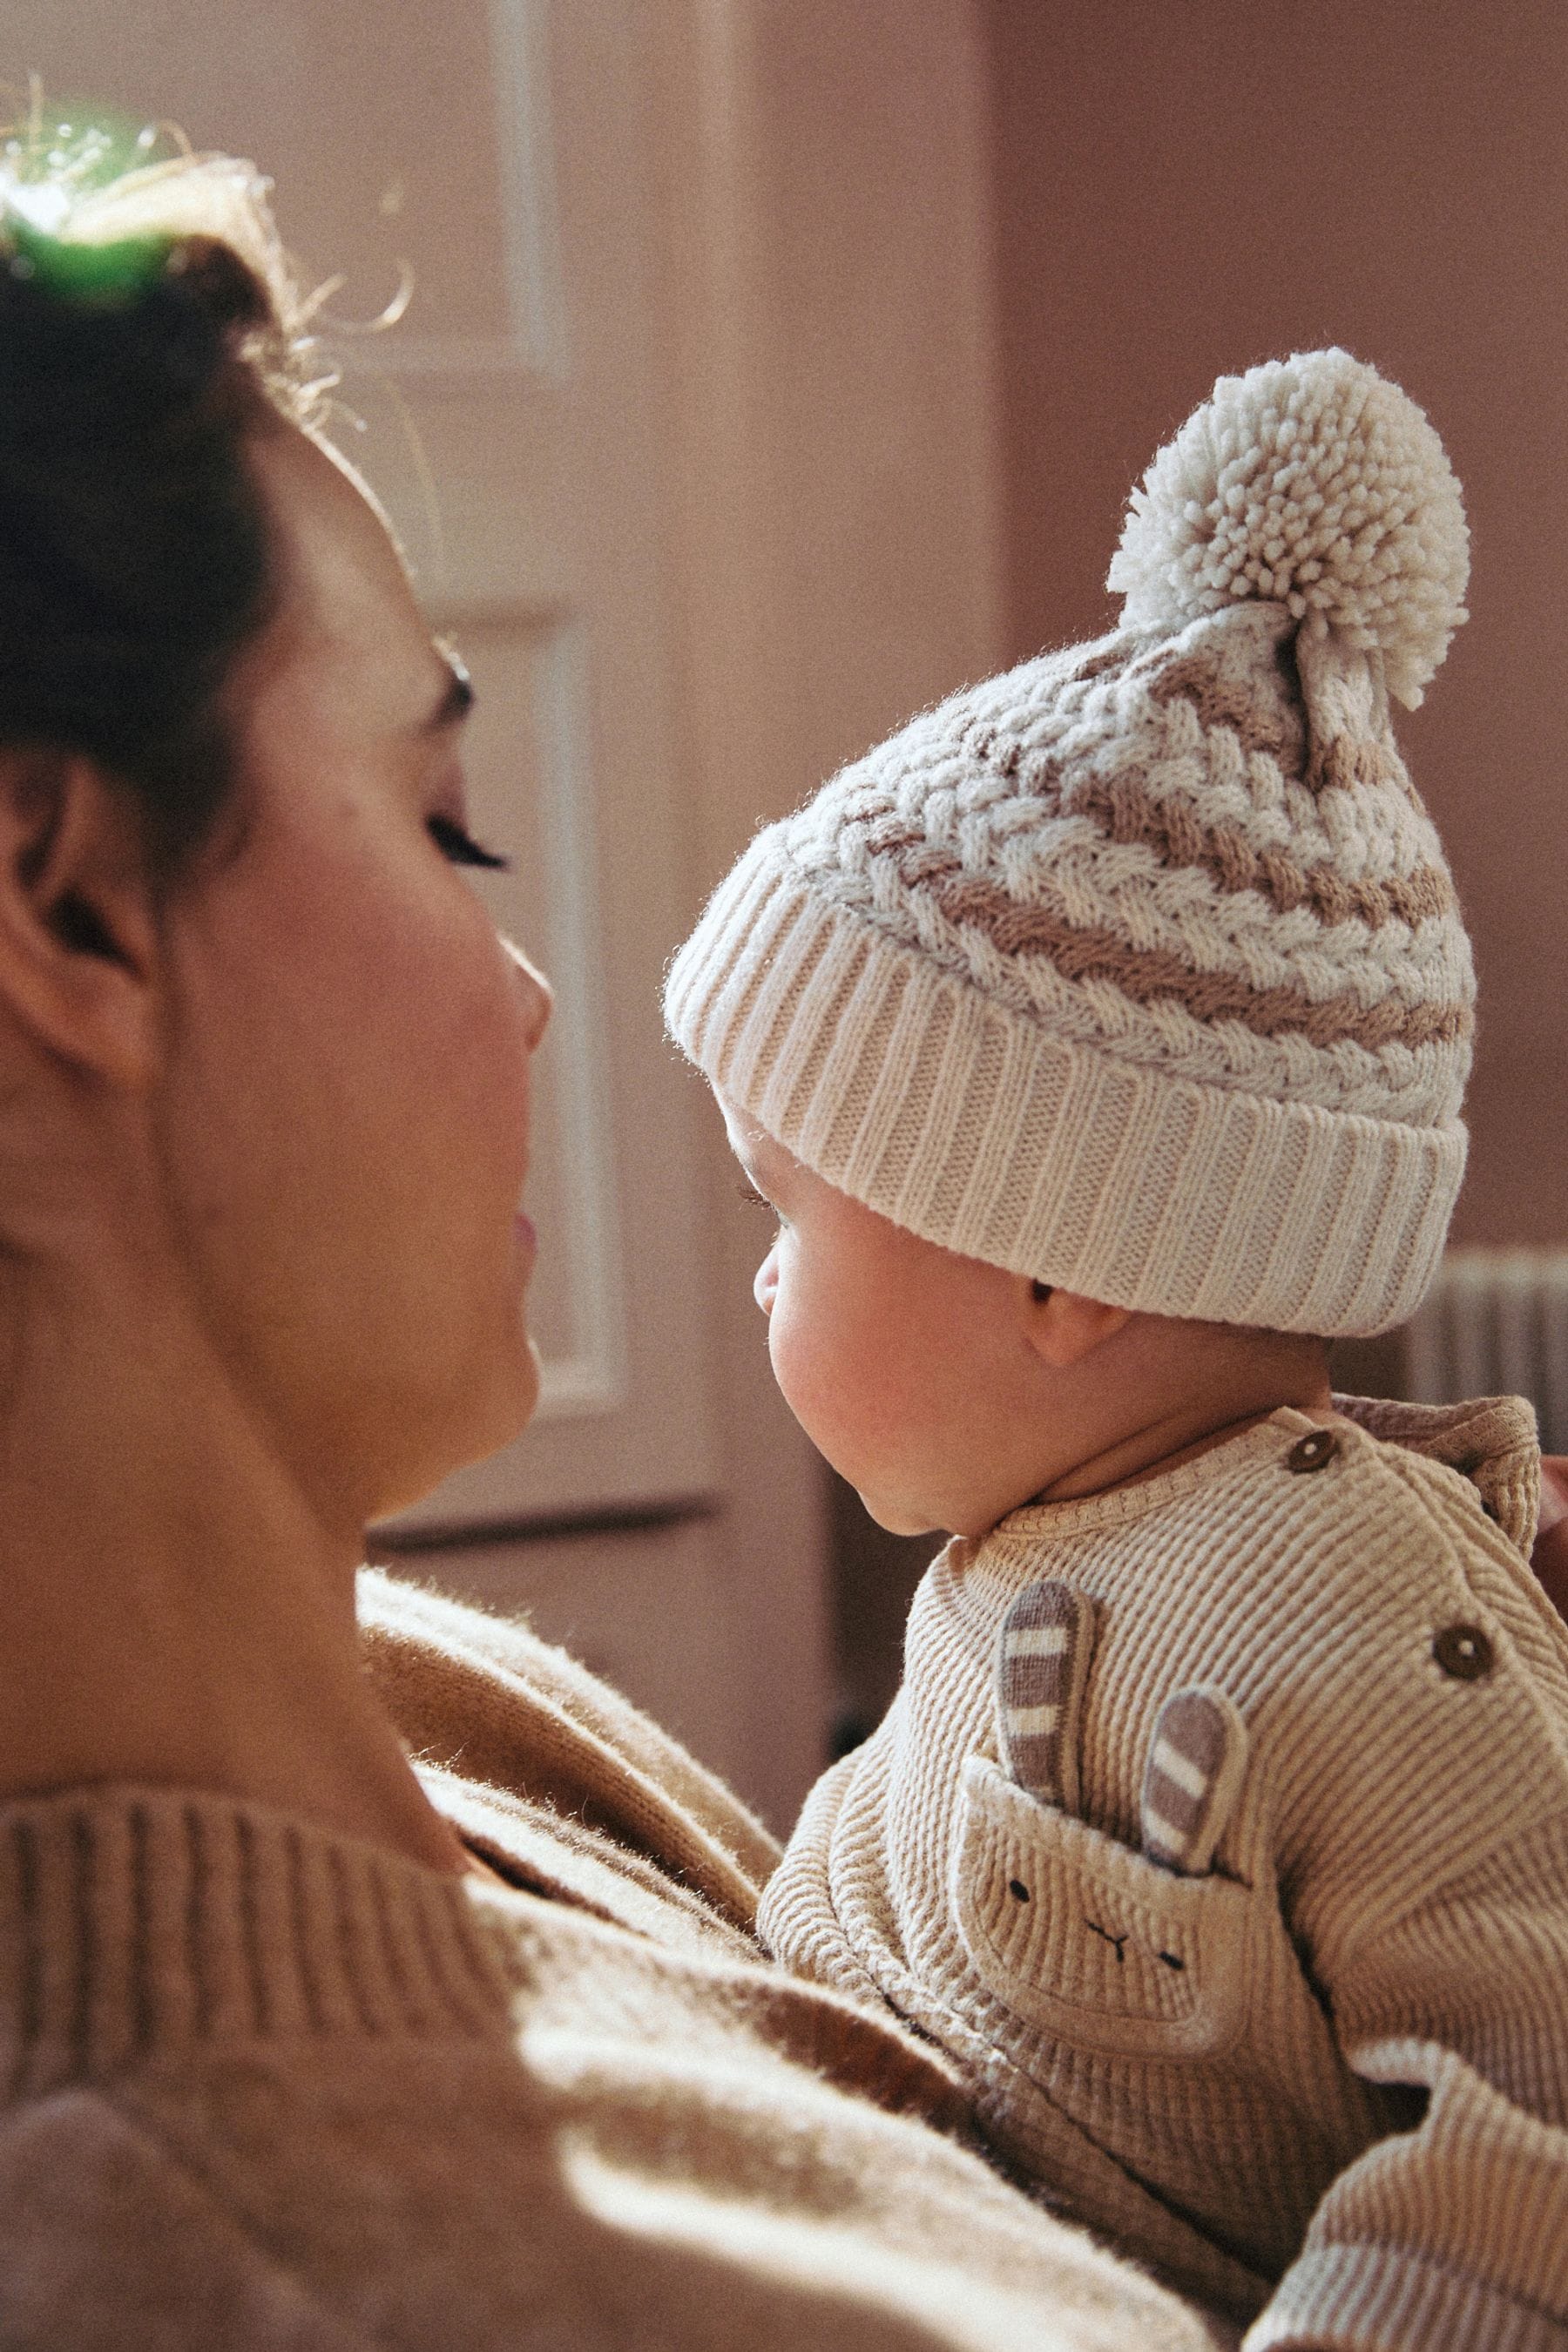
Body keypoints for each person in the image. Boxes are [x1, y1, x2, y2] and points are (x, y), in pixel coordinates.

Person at [0, 133, 1235, 2351]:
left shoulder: (412, 1700)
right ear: (64, 905)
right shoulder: (263, 2268)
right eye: (438, 818)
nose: (526, 988)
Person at [665, 351, 1568, 2342]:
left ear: (1056, 1269)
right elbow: (856, 1902)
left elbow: (1532, 2138)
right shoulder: (1026, 1544)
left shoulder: (1361, 1627)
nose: (755, 1283)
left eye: (786, 1213)